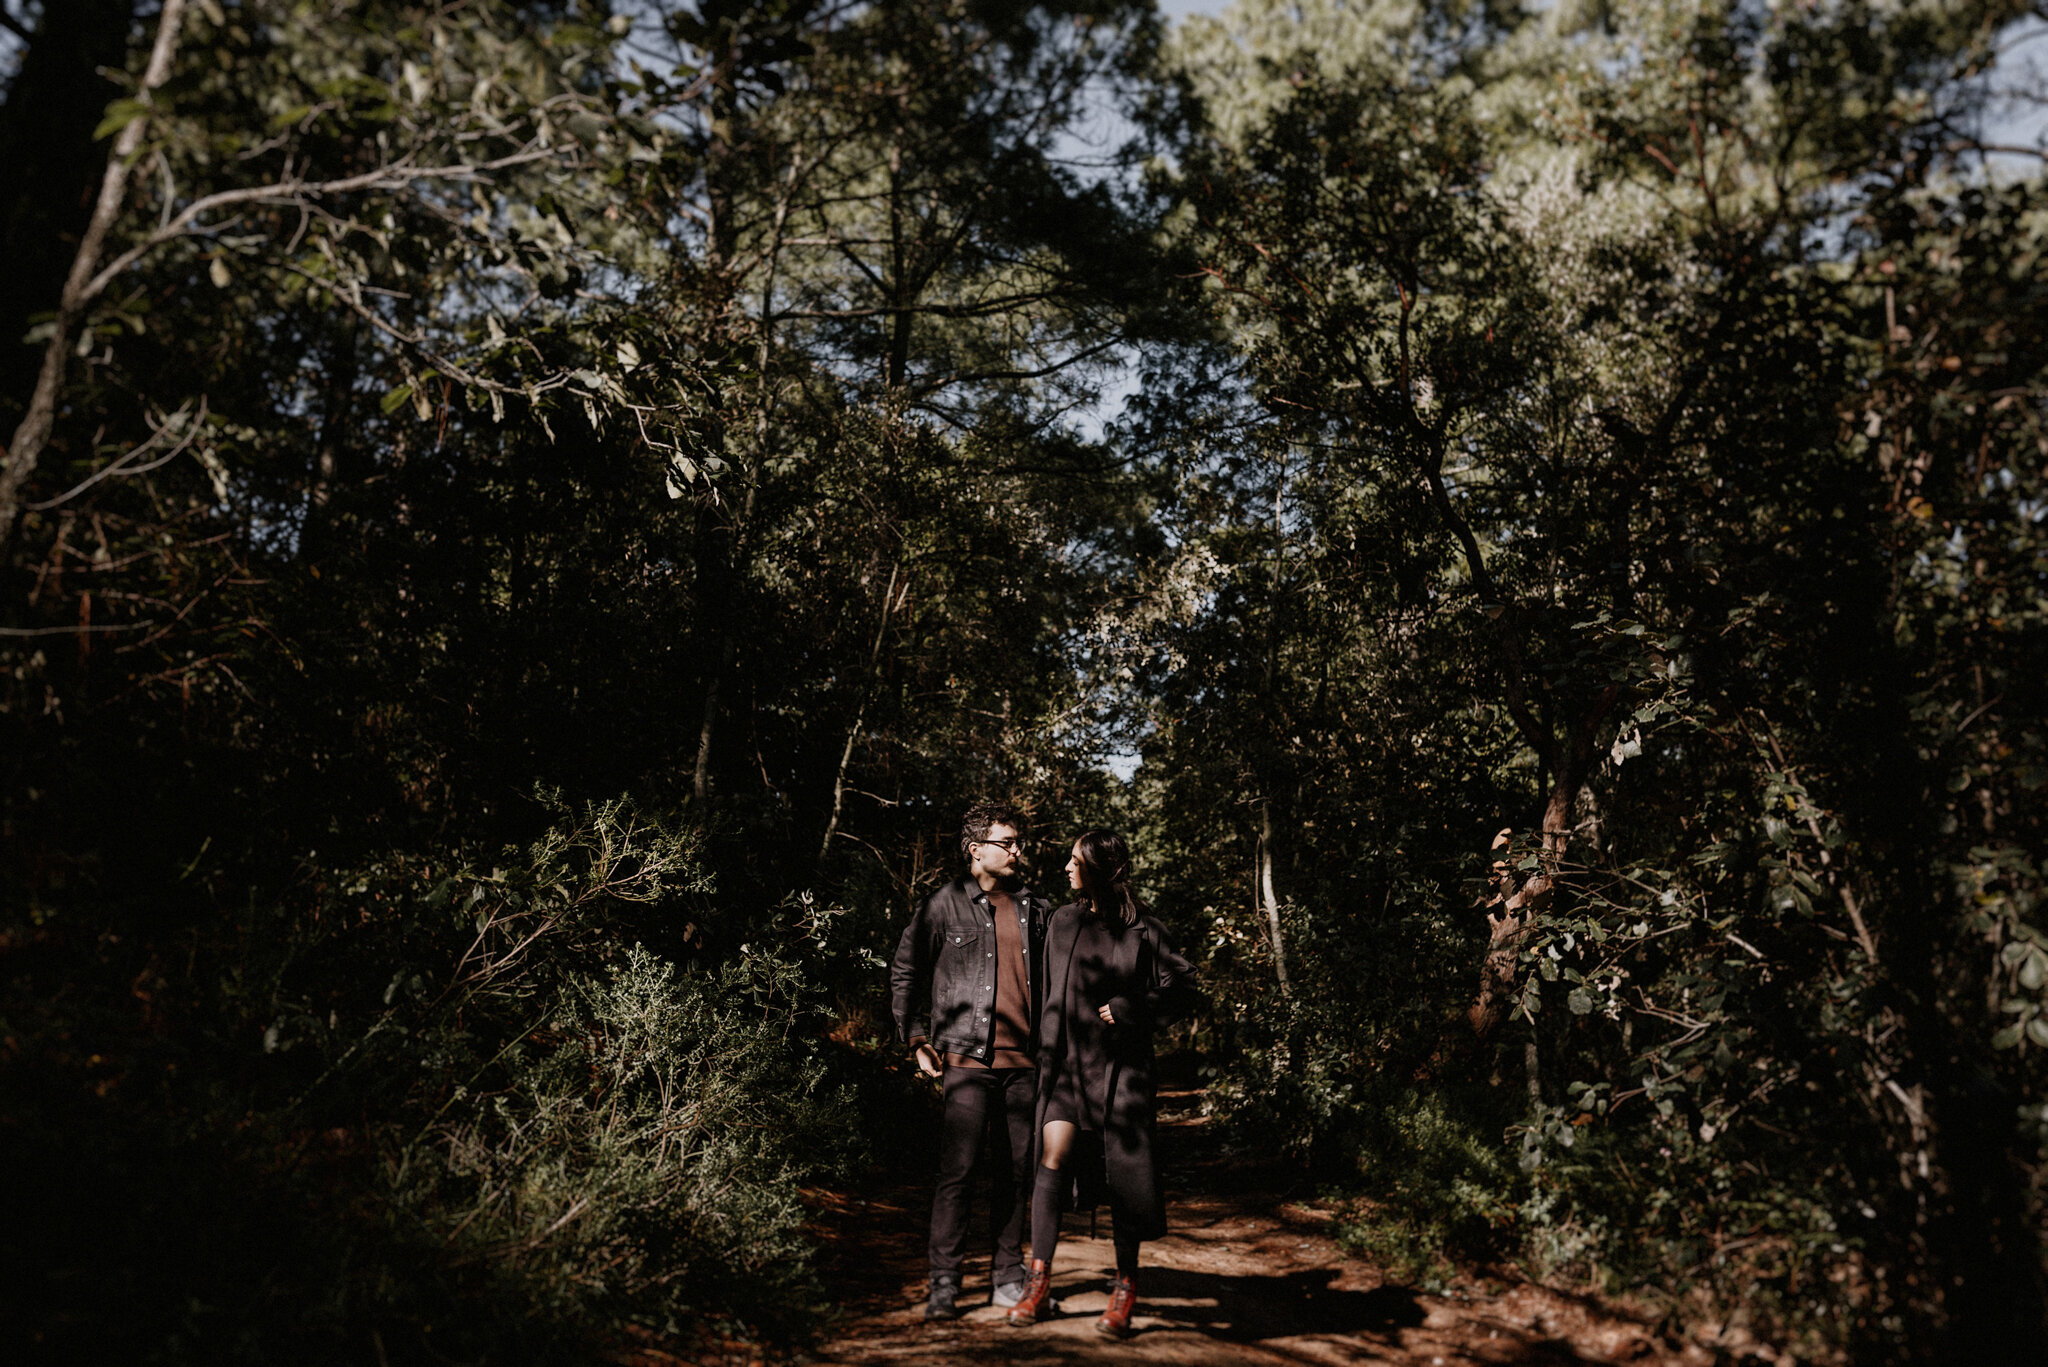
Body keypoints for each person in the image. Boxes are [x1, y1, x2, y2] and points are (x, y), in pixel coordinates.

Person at [1006, 828, 1195, 1337]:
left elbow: (1184, 989)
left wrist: (1135, 1008)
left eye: (1074, 860)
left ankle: (1125, 1288)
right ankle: (1038, 1284)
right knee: (1052, 1158)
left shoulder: (1144, 930)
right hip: (1065, 1068)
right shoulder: (1063, 921)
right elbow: (1039, 986)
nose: (1066, 868)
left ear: (1098, 866)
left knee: (1124, 1180)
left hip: (1121, 1074)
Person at [890, 800, 1052, 1321]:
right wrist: (916, 1037)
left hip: (1025, 1065)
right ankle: (944, 1283)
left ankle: (1008, 1277)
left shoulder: (1036, 908)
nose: (1015, 851)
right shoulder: (943, 904)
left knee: (1015, 1174)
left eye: (1017, 842)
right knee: (957, 1173)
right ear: (975, 849)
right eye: (1006, 842)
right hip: (965, 1061)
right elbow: (906, 971)